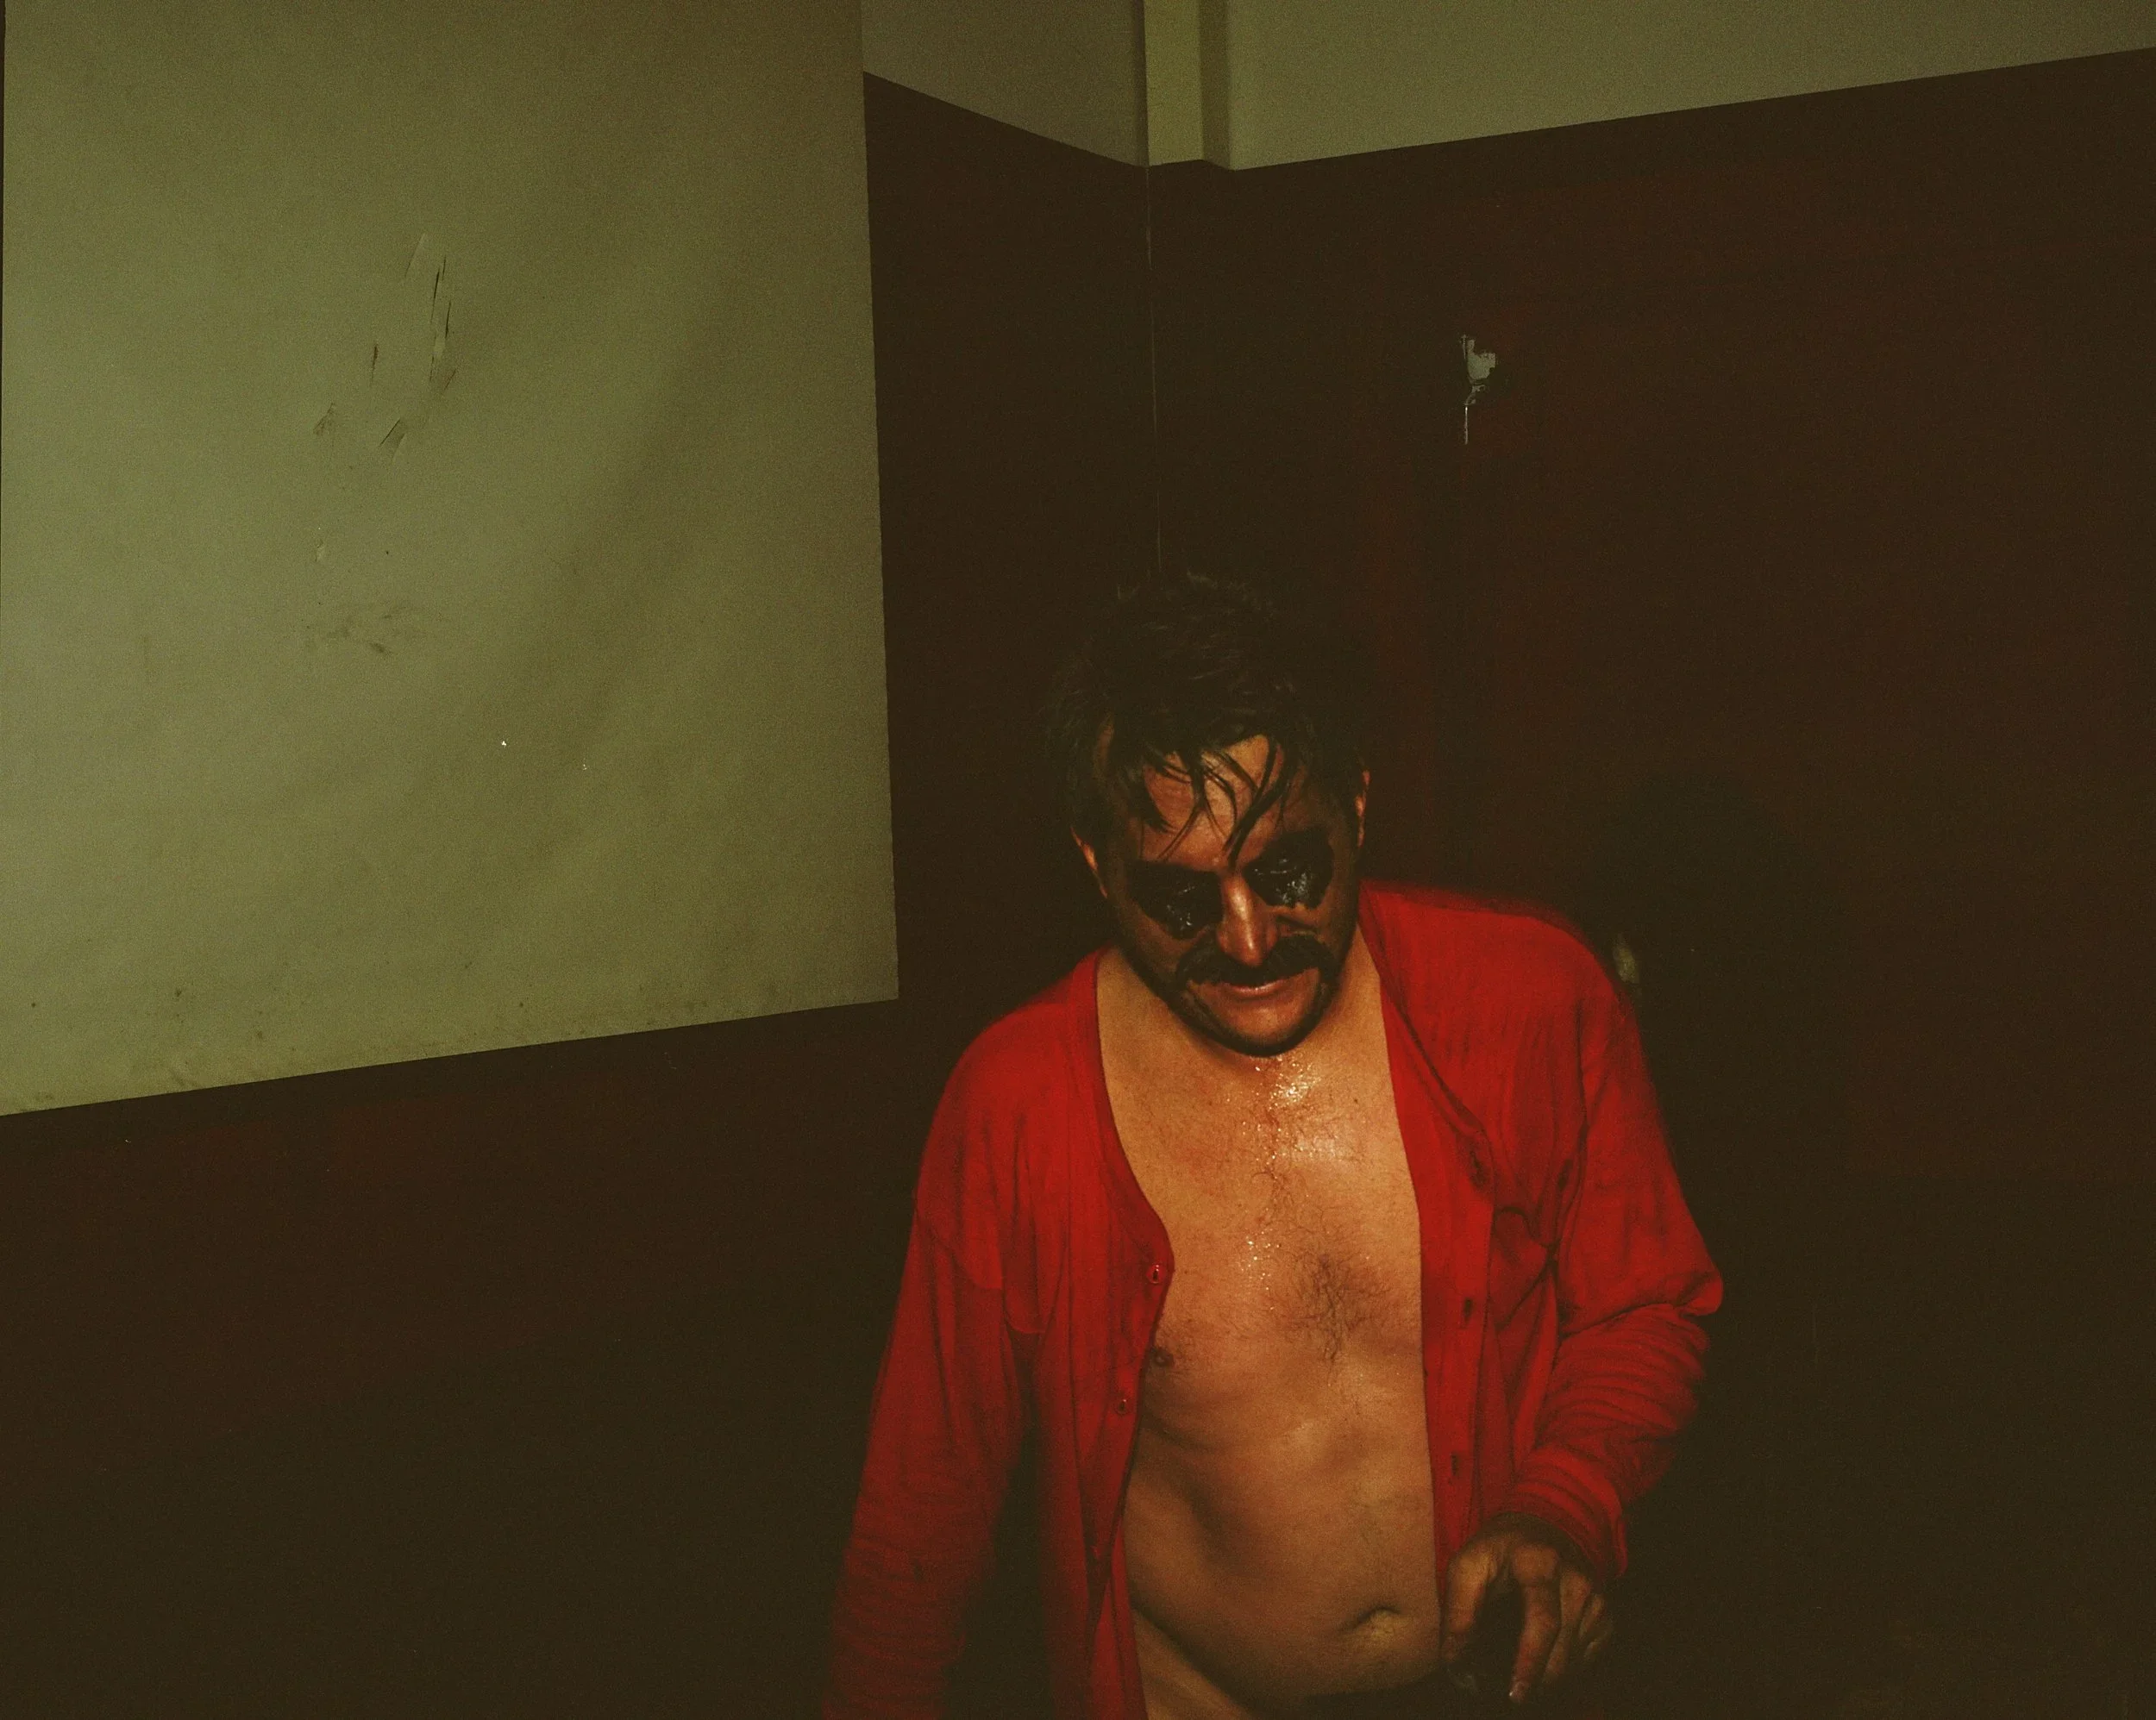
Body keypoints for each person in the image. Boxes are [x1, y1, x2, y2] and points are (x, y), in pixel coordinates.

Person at [825, 572, 1720, 1719]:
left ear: (1356, 801)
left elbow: (1645, 1301)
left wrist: (1565, 1502)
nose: (1249, 940)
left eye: (1289, 872)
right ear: (1098, 868)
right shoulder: (1018, 1107)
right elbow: (921, 1513)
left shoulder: (1530, 1001)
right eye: (1181, 900)